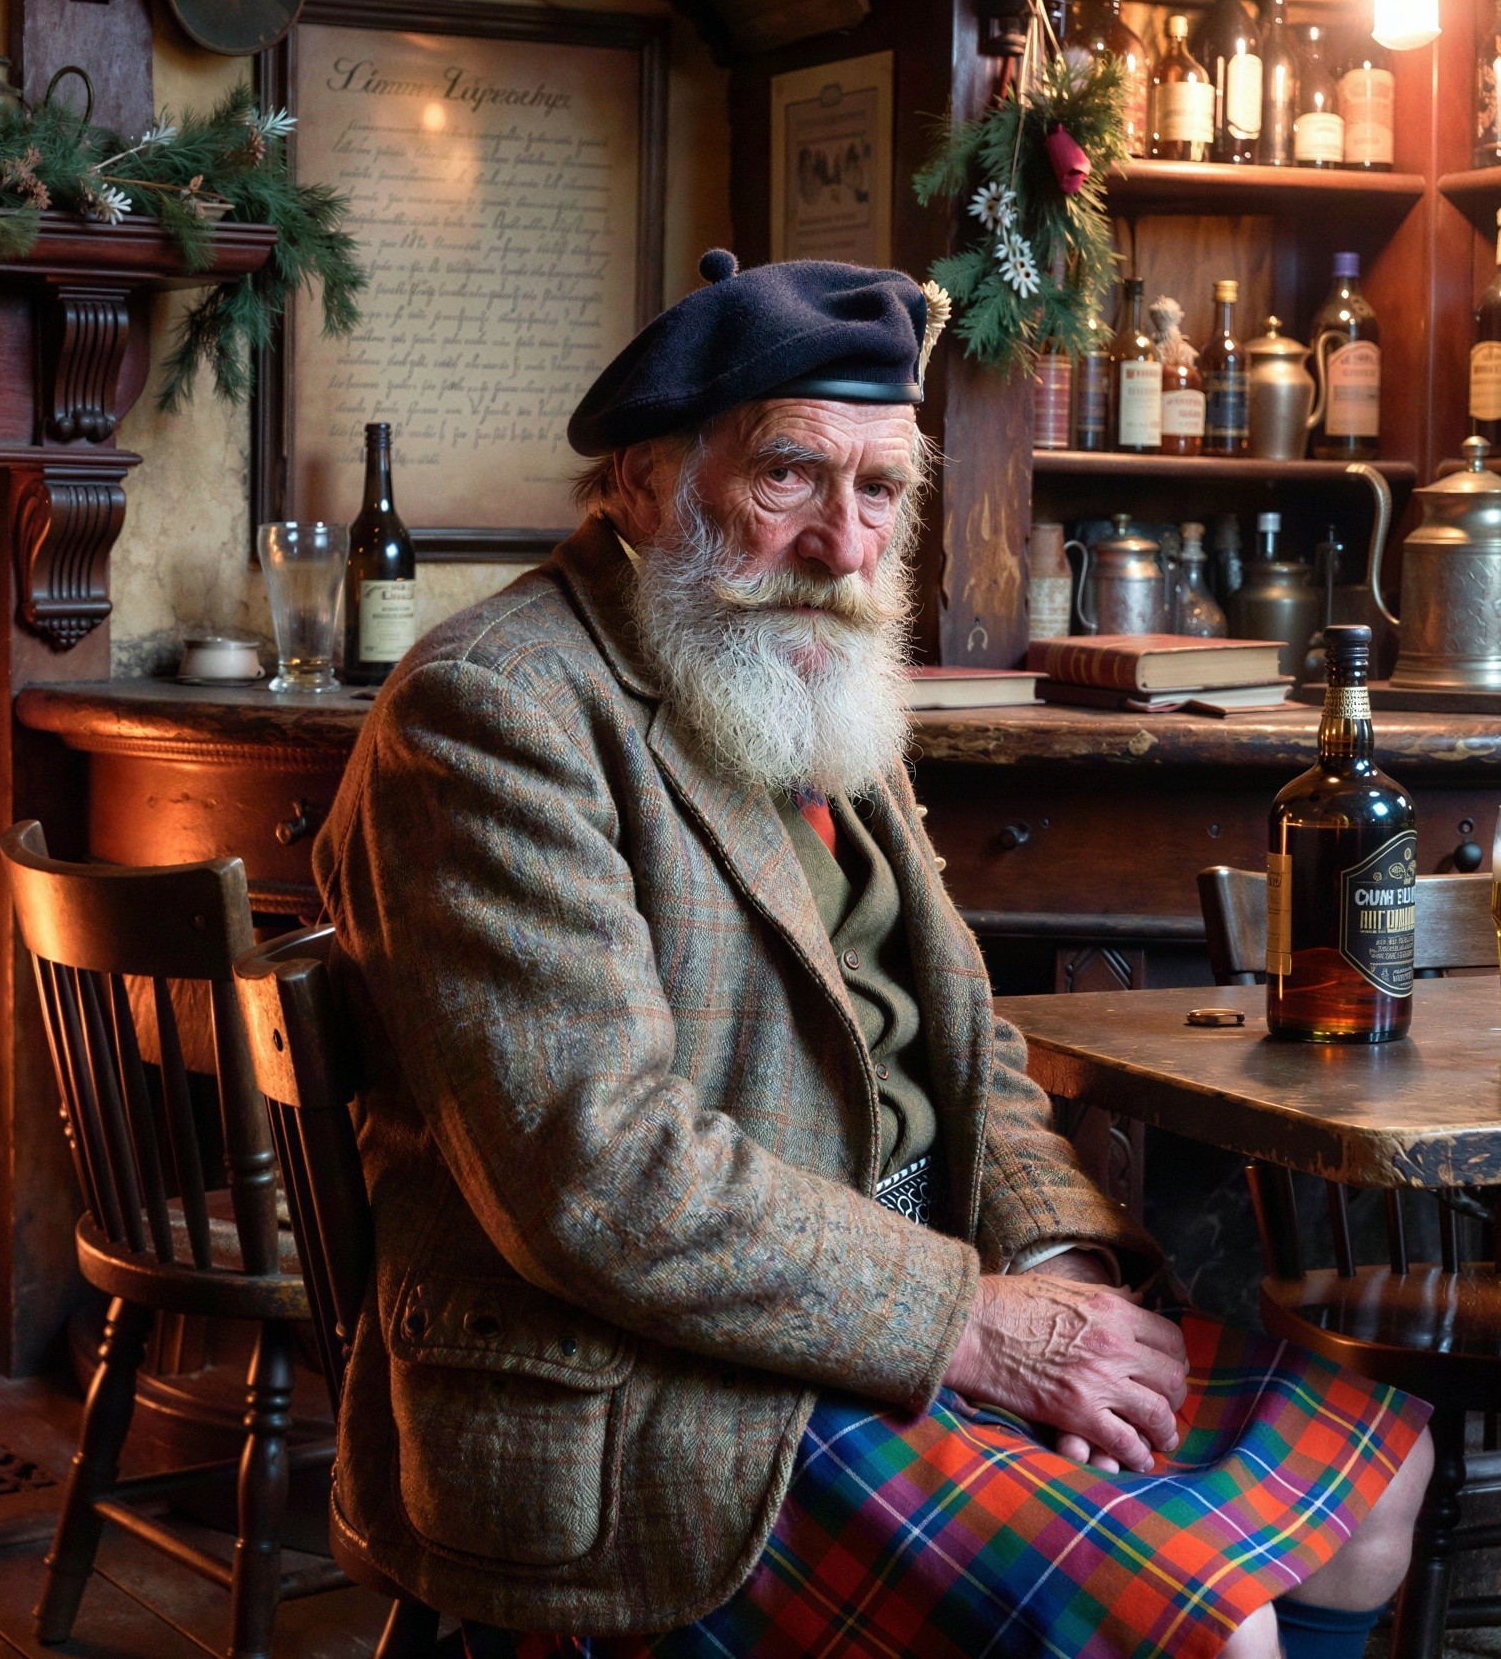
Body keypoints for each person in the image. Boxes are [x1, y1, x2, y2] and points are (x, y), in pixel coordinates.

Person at [312, 251, 1432, 1659]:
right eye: (788, 477)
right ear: (647, 483)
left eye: (881, 489)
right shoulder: (493, 711)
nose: (845, 544)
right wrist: (977, 1327)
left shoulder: (807, 680)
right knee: (1211, 1629)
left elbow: (974, 1047)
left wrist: (1067, 1272)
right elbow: (599, 1175)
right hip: (677, 1394)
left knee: (1385, 1483)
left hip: (912, 1307)